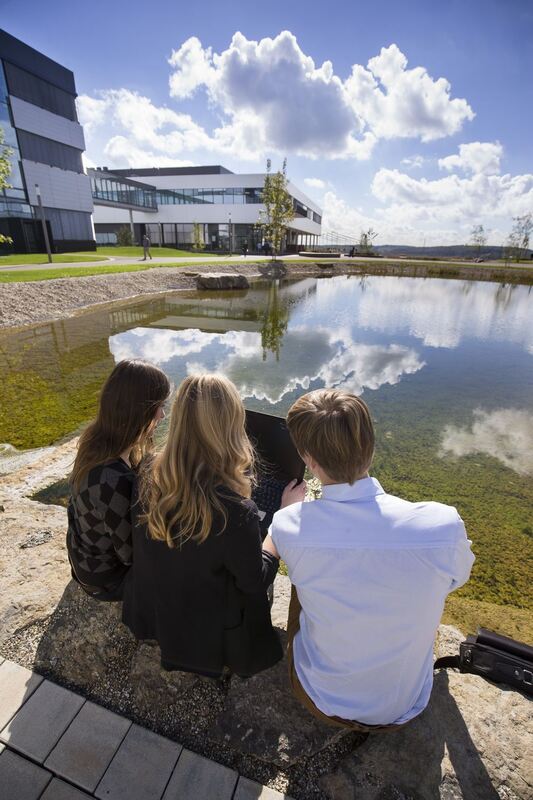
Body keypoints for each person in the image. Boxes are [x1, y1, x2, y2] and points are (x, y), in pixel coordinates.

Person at [262, 389, 475, 730]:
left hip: (319, 697)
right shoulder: (443, 524)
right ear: (371, 447)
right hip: (405, 706)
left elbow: (274, 549)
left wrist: (287, 514)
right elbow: (457, 579)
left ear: (310, 461)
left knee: (306, 578)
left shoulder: (290, 525)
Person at [122, 374, 282, 678]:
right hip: (208, 631)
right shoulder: (237, 513)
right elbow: (255, 582)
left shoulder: (147, 471)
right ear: (232, 426)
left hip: (158, 608)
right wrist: (276, 530)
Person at [67, 360, 170, 601]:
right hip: (106, 581)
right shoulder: (113, 479)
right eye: (159, 406)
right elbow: (132, 556)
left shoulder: (96, 440)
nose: (163, 414)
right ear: (138, 410)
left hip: (84, 560)